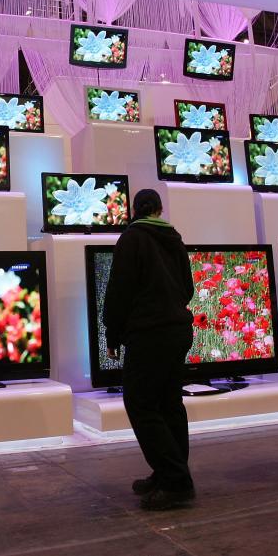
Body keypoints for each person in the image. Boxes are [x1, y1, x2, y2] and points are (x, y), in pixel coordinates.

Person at [102, 188, 195, 510]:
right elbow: (189, 288)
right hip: (179, 330)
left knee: (141, 404)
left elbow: (119, 291)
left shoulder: (132, 239)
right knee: (169, 404)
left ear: (134, 210)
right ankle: (170, 472)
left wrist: (112, 334)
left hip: (150, 333)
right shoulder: (175, 239)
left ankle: (176, 480)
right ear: (159, 208)